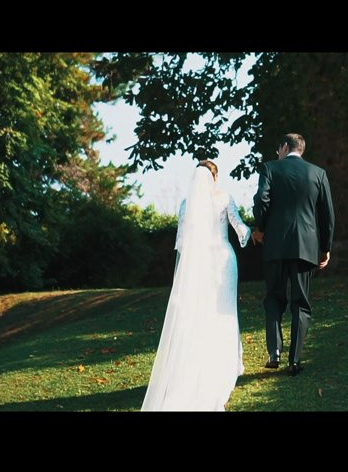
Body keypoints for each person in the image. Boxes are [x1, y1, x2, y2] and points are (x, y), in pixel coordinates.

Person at [141, 160, 252, 411]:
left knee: (201, 313)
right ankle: (227, 364)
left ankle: (197, 364)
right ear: (215, 177)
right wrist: (255, 234)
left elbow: (181, 243)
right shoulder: (224, 198)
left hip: (199, 263)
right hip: (223, 259)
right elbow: (240, 228)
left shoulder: (185, 205)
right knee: (225, 311)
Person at [252, 133, 334, 377]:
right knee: (301, 304)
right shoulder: (318, 173)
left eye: (280, 149)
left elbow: (261, 200)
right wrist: (326, 247)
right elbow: (327, 214)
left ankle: (274, 352)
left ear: (285, 146)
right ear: (302, 149)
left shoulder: (270, 168)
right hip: (306, 246)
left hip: (275, 245)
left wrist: (261, 227)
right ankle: (295, 360)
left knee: (274, 298)